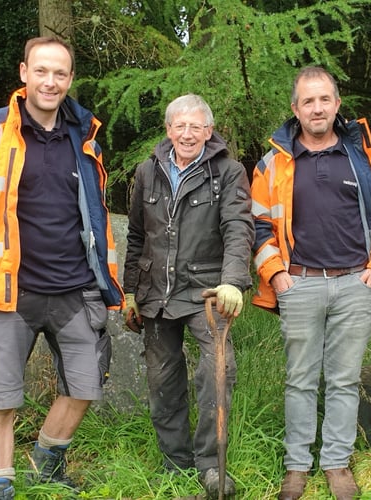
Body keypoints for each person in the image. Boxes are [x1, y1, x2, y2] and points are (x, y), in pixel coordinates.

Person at [0, 36, 124, 499]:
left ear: (70, 80)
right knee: (0, 399)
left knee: (85, 386)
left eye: (60, 73)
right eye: (41, 71)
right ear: (24, 73)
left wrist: (109, 283)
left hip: (75, 289)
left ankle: (47, 461)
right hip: (9, 292)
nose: (51, 81)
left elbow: (96, 218)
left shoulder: (85, 139)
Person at [251, 66, 371, 500]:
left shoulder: (368, 156)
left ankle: (336, 462)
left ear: (337, 105)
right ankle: (297, 465)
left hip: (357, 282)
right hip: (298, 285)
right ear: (295, 109)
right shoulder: (273, 162)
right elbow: (258, 225)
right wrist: (277, 276)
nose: (317, 108)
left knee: (343, 379)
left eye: (324, 100)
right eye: (307, 101)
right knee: (299, 379)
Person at [122, 94, 254, 499]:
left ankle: (212, 466)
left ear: (209, 132)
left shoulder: (229, 172)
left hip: (207, 291)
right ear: (168, 130)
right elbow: (136, 237)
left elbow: (238, 227)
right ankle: (175, 462)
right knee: (162, 378)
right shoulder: (148, 172)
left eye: (196, 126)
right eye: (180, 126)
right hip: (156, 293)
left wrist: (233, 280)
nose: (187, 133)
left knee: (218, 372)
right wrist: (129, 291)